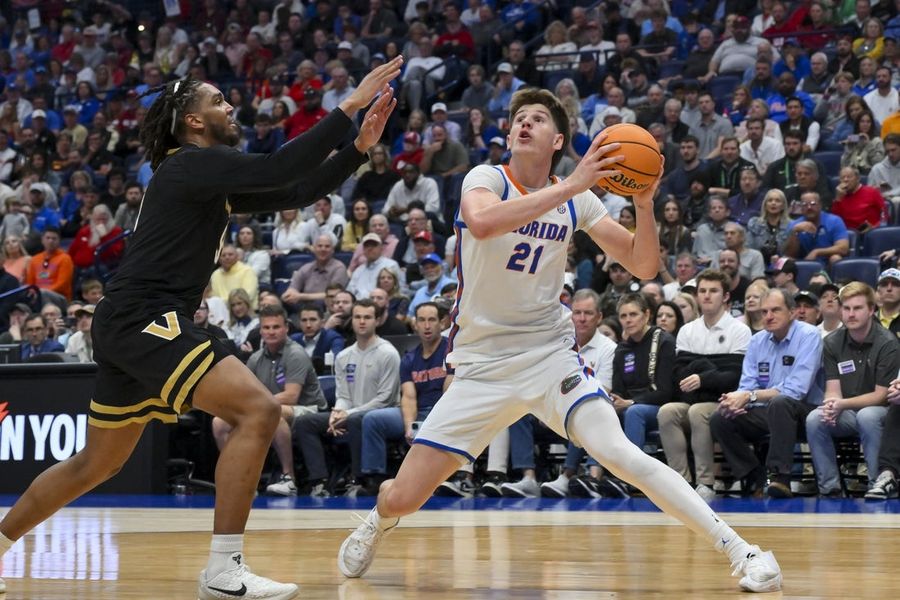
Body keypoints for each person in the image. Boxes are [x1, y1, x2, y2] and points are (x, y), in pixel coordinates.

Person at [337, 88, 782, 594]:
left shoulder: (578, 199)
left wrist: (643, 203)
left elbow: (642, 264)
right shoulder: (486, 178)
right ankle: (378, 519)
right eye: (518, 119)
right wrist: (573, 183)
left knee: (621, 453)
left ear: (558, 140)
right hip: (482, 365)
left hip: (550, 356)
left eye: (537, 118)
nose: (524, 124)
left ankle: (742, 551)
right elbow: (482, 223)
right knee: (405, 497)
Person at [0, 57, 402, 599]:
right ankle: (222, 569)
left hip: (130, 319)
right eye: (218, 101)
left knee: (95, 464)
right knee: (258, 410)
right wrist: (348, 106)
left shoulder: (204, 176)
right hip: (146, 317)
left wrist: (356, 150)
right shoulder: (190, 164)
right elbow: (279, 167)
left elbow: (292, 192)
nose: (230, 106)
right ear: (192, 121)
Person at [710, 288, 824, 499]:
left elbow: (797, 389)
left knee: (780, 403)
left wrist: (749, 397)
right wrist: (735, 401)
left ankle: (780, 477)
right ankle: (756, 476)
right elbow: (747, 383)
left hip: (805, 411)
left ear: (792, 312)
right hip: (767, 410)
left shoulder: (809, 335)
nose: (769, 316)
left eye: (775, 310)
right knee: (720, 417)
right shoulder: (757, 341)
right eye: (764, 312)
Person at [213, 304, 326, 497]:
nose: (271, 332)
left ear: (286, 328)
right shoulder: (256, 358)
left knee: (274, 414)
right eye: (266, 327)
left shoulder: (296, 354)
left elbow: (291, 396)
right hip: (265, 408)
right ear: (261, 330)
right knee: (219, 422)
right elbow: (245, 393)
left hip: (307, 409)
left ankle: (288, 478)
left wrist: (255, 405)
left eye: (276, 327)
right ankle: (239, 478)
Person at [659, 269, 751, 503]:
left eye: (713, 291)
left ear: (726, 296)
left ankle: (706, 483)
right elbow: (679, 375)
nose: (707, 296)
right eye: (702, 291)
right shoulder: (687, 330)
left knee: (697, 411)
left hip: (725, 403)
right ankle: (680, 482)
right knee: (667, 412)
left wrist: (702, 377)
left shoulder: (740, 330)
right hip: (692, 400)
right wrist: (712, 370)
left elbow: (734, 376)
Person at [293, 298, 401, 497]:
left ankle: (359, 480)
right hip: (350, 413)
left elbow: (385, 399)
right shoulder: (343, 356)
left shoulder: (388, 353)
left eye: (367, 317)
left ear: (377, 321)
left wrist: (348, 413)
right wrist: (338, 412)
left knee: (356, 419)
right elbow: (343, 395)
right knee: (304, 422)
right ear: (352, 320)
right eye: (357, 317)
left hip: (380, 414)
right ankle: (319, 481)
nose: (362, 321)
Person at [805, 282, 897, 497]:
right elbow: (833, 388)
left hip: (883, 412)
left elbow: (881, 395)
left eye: (857, 308)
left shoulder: (887, 343)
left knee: (867, 416)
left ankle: (878, 483)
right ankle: (829, 487)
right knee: (815, 418)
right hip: (847, 412)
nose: (851, 314)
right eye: (846, 308)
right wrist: (831, 405)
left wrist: (841, 404)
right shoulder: (832, 342)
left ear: (871, 310)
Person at [357, 301, 449, 495]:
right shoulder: (409, 358)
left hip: (441, 413)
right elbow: (408, 397)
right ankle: (375, 479)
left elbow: (449, 394)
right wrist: (409, 426)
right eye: (422, 320)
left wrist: (431, 422)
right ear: (415, 324)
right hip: (417, 413)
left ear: (442, 323)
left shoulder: (450, 351)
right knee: (373, 420)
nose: (426, 326)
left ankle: (437, 481)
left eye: (431, 320)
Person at [782, 191, 851, 265]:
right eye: (804, 204)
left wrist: (817, 252)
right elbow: (789, 254)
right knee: (784, 261)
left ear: (820, 205)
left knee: (836, 258)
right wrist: (794, 232)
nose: (809, 207)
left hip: (828, 263)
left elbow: (843, 248)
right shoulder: (794, 225)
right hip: (802, 263)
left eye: (813, 204)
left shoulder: (834, 221)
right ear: (801, 208)